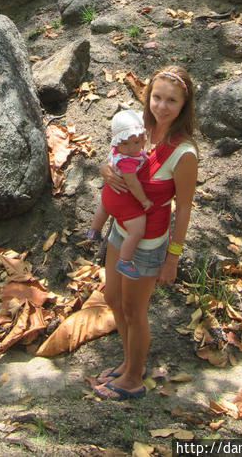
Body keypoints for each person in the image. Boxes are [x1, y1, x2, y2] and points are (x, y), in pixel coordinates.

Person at [92, 65, 198, 401]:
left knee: (134, 310)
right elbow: (112, 157)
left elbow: (183, 209)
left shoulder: (184, 153)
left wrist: (173, 258)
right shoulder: (138, 129)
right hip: (120, 229)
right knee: (112, 299)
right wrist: (104, 169)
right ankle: (129, 362)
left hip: (148, 241)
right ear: (148, 95)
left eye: (172, 101)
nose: (162, 107)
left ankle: (134, 378)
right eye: (157, 97)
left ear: (184, 106)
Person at [87, 109, 153, 279]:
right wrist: (144, 200)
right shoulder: (128, 162)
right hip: (121, 198)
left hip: (109, 194)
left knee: (103, 208)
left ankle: (94, 230)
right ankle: (124, 260)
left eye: (136, 142)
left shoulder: (116, 153)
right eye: (125, 144)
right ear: (117, 142)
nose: (132, 148)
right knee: (137, 231)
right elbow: (132, 183)